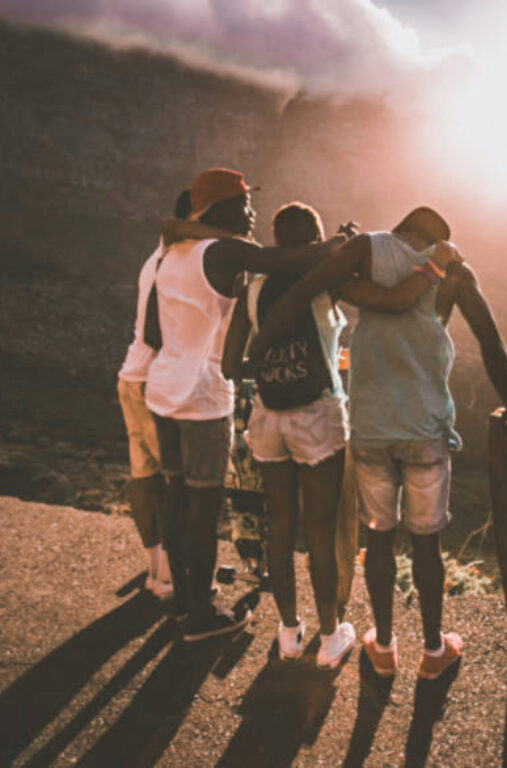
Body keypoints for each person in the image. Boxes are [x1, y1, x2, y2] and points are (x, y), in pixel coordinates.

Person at [248, 207, 507, 679]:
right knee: (426, 543)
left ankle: (382, 646)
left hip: (371, 425)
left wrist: (259, 348)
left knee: (378, 537)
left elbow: (315, 285)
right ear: (436, 239)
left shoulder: (366, 252)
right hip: (423, 426)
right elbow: (491, 341)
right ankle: (434, 650)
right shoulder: (452, 267)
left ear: (399, 230)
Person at [222, 202, 461, 668]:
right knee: (321, 528)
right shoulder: (325, 285)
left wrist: (265, 366)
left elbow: (231, 366)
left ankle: (289, 631)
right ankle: (330, 637)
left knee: (279, 523)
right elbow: (392, 301)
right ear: (316, 243)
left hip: (268, 415)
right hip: (317, 413)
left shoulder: (251, 288)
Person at [145, 168, 344, 642]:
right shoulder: (225, 250)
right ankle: (200, 615)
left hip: (164, 388)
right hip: (202, 396)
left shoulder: (171, 253)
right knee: (204, 501)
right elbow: (298, 260)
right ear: (219, 210)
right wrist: (344, 243)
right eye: (243, 203)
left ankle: (181, 601)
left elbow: (154, 331)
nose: (251, 211)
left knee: (175, 494)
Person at [116, 188, 191, 600]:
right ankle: (168, 577)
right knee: (171, 482)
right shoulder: (175, 259)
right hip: (152, 382)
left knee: (144, 477)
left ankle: (155, 571)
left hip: (132, 375)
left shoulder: (158, 255)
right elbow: (156, 332)